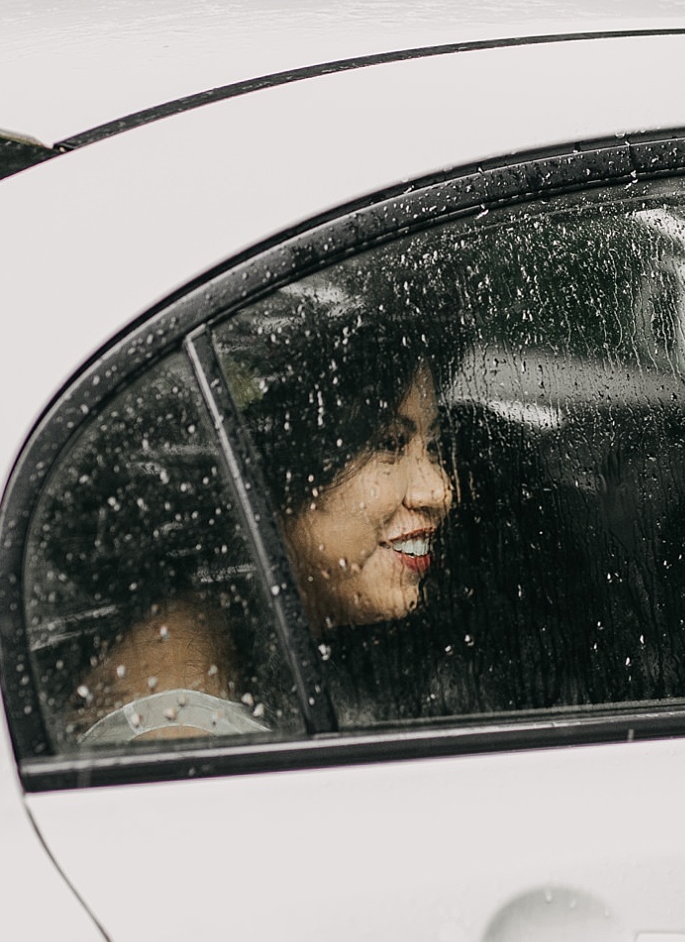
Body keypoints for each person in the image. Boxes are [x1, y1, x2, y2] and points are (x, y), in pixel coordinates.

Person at [74, 275, 460, 746]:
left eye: (433, 445)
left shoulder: (248, 633)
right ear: (276, 467)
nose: (440, 490)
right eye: (389, 445)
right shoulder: (179, 730)